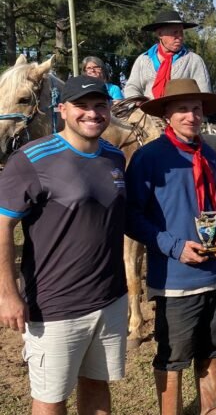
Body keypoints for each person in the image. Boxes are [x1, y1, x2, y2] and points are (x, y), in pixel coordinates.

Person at [0, 76, 128, 414]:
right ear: (62, 109)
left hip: (111, 297)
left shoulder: (115, 158)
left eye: (99, 106)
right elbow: (2, 229)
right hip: (54, 306)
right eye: (81, 106)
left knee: (97, 385)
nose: (92, 113)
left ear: (109, 108)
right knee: (51, 397)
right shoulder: (31, 160)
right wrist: (8, 294)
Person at [125, 78, 216, 415]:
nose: (191, 116)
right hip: (175, 280)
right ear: (166, 115)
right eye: (183, 109)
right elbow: (131, 216)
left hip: (213, 274)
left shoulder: (210, 155)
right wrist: (174, 246)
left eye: (197, 109)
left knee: (212, 352)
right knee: (172, 360)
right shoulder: (149, 157)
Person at [124, 10, 211, 99]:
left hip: (182, 111)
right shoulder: (143, 60)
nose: (180, 37)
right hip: (148, 110)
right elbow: (132, 87)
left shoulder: (193, 60)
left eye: (181, 32)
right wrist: (136, 102)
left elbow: (204, 94)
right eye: (174, 33)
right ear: (160, 34)